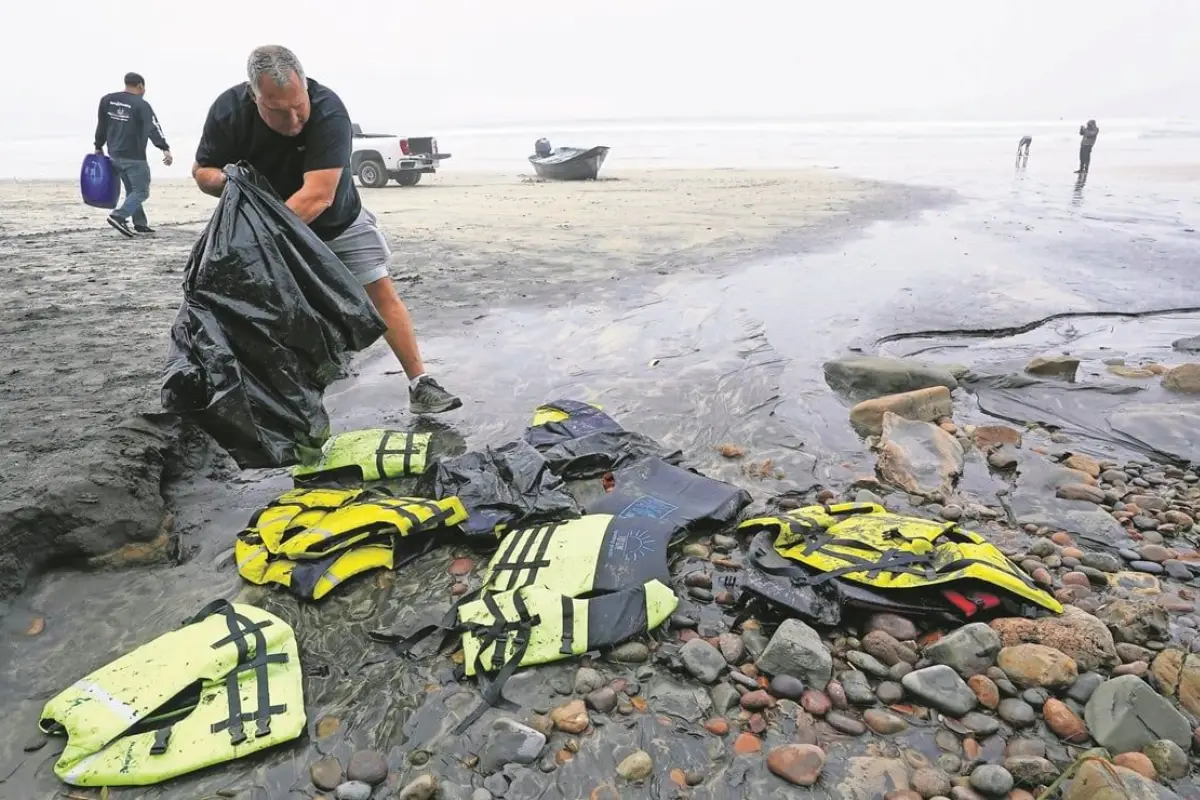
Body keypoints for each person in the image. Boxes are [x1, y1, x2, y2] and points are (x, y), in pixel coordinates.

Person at [190, 45, 462, 416]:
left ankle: (420, 384)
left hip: (336, 222)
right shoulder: (228, 111)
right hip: (268, 230)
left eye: (298, 105)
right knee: (275, 317)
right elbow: (202, 172)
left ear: (305, 87)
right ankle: (283, 406)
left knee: (381, 293)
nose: (294, 119)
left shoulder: (329, 110)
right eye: (278, 110)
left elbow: (317, 196)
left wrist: (262, 245)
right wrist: (229, 180)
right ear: (254, 97)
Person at [94, 72, 173, 237]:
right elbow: (153, 127)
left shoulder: (107, 100)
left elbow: (102, 124)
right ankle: (119, 216)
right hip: (134, 157)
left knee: (132, 190)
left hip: (114, 154)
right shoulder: (141, 105)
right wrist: (164, 148)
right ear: (140, 86)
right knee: (142, 191)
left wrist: (98, 146)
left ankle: (140, 224)